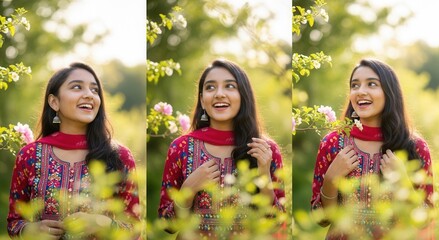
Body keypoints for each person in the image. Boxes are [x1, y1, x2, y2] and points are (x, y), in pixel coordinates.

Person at [7, 62, 140, 239]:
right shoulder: (29, 155)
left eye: (94, 90)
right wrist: (31, 230)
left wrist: (103, 224)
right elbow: (14, 223)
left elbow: (135, 230)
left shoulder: (119, 156)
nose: (89, 95)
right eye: (77, 87)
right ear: (54, 102)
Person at [158, 59, 285, 238]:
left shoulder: (265, 150)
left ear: (243, 95)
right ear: (202, 100)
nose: (219, 94)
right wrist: (189, 188)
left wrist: (263, 173)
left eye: (230, 86)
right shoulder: (181, 148)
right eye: (210, 88)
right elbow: (167, 224)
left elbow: (276, 224)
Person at [310, 59, 434, 239]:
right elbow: (321, 219)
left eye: (372, 84)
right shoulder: (332, 144)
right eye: (355, 85)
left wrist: (403, 183)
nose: (361, 91)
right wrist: (330, 179)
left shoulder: (415, 147)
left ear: (389, 92)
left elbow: (426, 219)